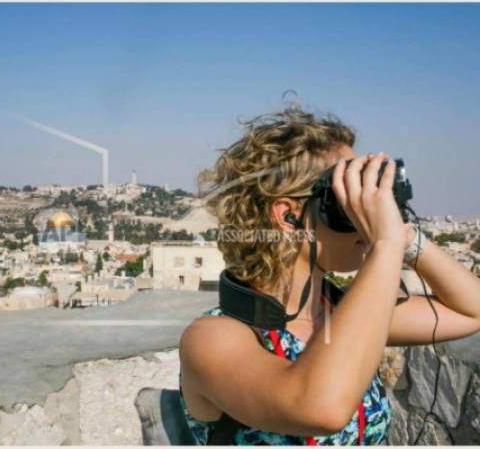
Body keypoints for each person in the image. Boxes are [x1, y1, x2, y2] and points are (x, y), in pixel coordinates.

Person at [178, 105, 480, 445]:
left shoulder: (339, 314)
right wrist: (384, 244)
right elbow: (321, 408)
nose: (364, 207)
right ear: (289, 216)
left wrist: (406, 237)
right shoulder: (213, 338)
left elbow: (472, 311)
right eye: (346, 195)